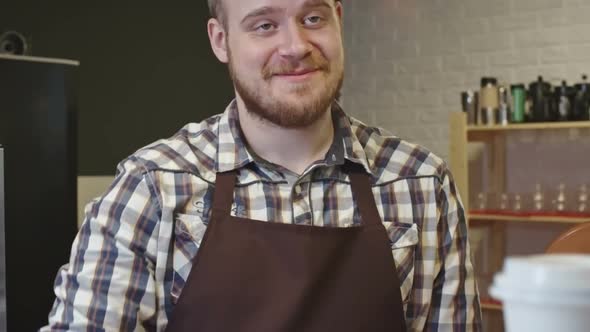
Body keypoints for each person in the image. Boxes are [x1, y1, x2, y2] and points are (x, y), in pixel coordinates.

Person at [43, 0, 482, 330]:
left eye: (313, 18)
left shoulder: (422, 183)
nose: (295, 46)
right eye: (264, 25)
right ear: (220, 40)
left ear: (338, 20)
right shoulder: (154, 187)